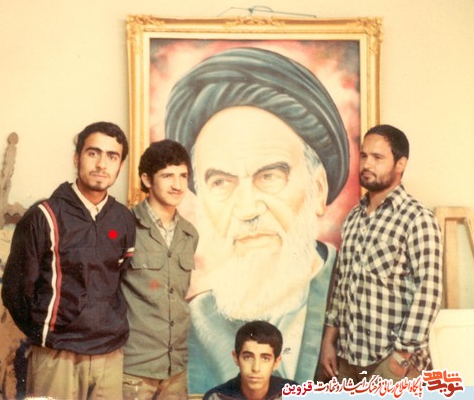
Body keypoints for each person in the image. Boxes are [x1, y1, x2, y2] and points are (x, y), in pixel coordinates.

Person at [165, 47, 351, 392]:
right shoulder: (195, 324)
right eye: (221, 183)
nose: (247, 208)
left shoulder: (352, 294)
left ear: (318, 190)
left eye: (269, 176)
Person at [1, 122, 136, 399]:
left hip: (109, 354)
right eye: (93, 153)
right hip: (56, 354)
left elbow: (118, 279)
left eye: (112, 157)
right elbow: (15, 292)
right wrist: (47, 334)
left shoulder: (123, 219)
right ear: (77, 158)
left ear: (120, 166)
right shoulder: (43, 216)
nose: (102, 164)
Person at [320, 124, 442, 383]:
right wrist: (329, 342)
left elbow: (428, 292)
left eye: (377, 157)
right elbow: (341, 287)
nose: (367, 164)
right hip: (348, 360)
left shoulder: (416, 218)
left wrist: (399, 358)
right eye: (364, 156)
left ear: (400, 164)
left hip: (392, 364)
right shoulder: (353, 218)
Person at [121, 139, 199, 398]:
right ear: (147, 179)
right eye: (167, 176)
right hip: (133, 368)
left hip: (176, 368)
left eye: (183, 176)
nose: (177, 185)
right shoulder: (122, 226)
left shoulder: (190, 234)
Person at [203, 321, 297, 400]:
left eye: (265, 358)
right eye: (248, 357)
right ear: (236, 358)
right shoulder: (216, 397)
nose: (256, 368)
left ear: (276, 362)